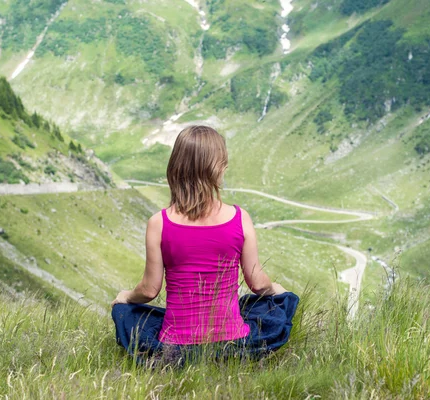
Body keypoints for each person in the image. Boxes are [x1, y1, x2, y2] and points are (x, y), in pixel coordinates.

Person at [111, 125, 299, 365]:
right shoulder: (240, 218)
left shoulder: (158, 223)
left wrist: (126, 296)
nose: (226, 168)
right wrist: (278, 290)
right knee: (267, 305)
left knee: (124, 312)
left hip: (176, 344)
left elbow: (149, 291)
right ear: (214, 169)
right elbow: (258, 284)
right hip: (231, 341)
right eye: (223, 162)